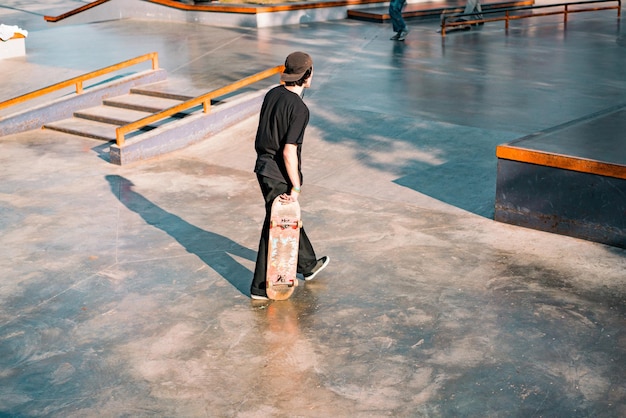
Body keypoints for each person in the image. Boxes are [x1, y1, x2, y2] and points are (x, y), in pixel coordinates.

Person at [251, 51, 330, 300]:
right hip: (279, 174)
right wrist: (295, 186)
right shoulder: (299, 109)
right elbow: (288, 151)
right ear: (307, 75)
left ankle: (307, 265)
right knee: (274, 226)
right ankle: (260, 288)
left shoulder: (273, 93)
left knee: (287, 219)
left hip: (263, 166)